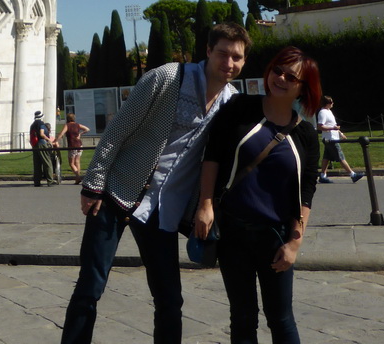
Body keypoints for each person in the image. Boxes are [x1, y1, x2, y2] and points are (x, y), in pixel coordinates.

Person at [60, 21, 251, 344]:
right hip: (117, 192)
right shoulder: (168, 77)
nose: (229, 63)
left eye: (237, 57)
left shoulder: (230, 102)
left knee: (169, 299)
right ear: (207, 51)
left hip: (164, 209)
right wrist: (92, 184)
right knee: (90, 287)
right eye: (222, 54)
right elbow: (118, 130)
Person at [195, 45, 322, 344]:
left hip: (275, 237)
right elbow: (212, 156)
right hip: (233, 234)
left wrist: (295, 242)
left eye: (291, 77)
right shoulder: (240, 108)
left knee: (281, 318)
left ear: (303, 88)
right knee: (242, 316)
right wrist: (205, 205)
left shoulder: (306, 135)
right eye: (277, 70)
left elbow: (306, 192)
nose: (280, 78)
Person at [317, 96, 363, 184]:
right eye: (331, 102)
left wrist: (340, 133)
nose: (333, 103)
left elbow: (333, 125)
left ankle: (323, 176)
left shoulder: (328, 111)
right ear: (327, 104)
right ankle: (352, 175)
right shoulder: (322, 112)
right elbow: (320, 126)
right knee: (340, 157)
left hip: (332, 138)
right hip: (330, 139)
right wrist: (333, 128)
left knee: (326, 157)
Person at [58, 113, 90, 184]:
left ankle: (78, 176)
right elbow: (87, 129)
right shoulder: (77, 125)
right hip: (79, 144)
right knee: (77, 161)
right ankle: (77, 179)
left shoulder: (67, 125)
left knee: (71, 163)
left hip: (72, 145)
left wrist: (56, 140)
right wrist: (80, 134)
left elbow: (61, 133)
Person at [30, 110, 56, 186]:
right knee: (47, 162)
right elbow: (41, 134)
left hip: (35, 145)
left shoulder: (33, 125)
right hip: (42, 143)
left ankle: (37, 181)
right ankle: (50, 180)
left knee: (37, 164)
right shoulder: (41, 123)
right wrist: (48, 140)